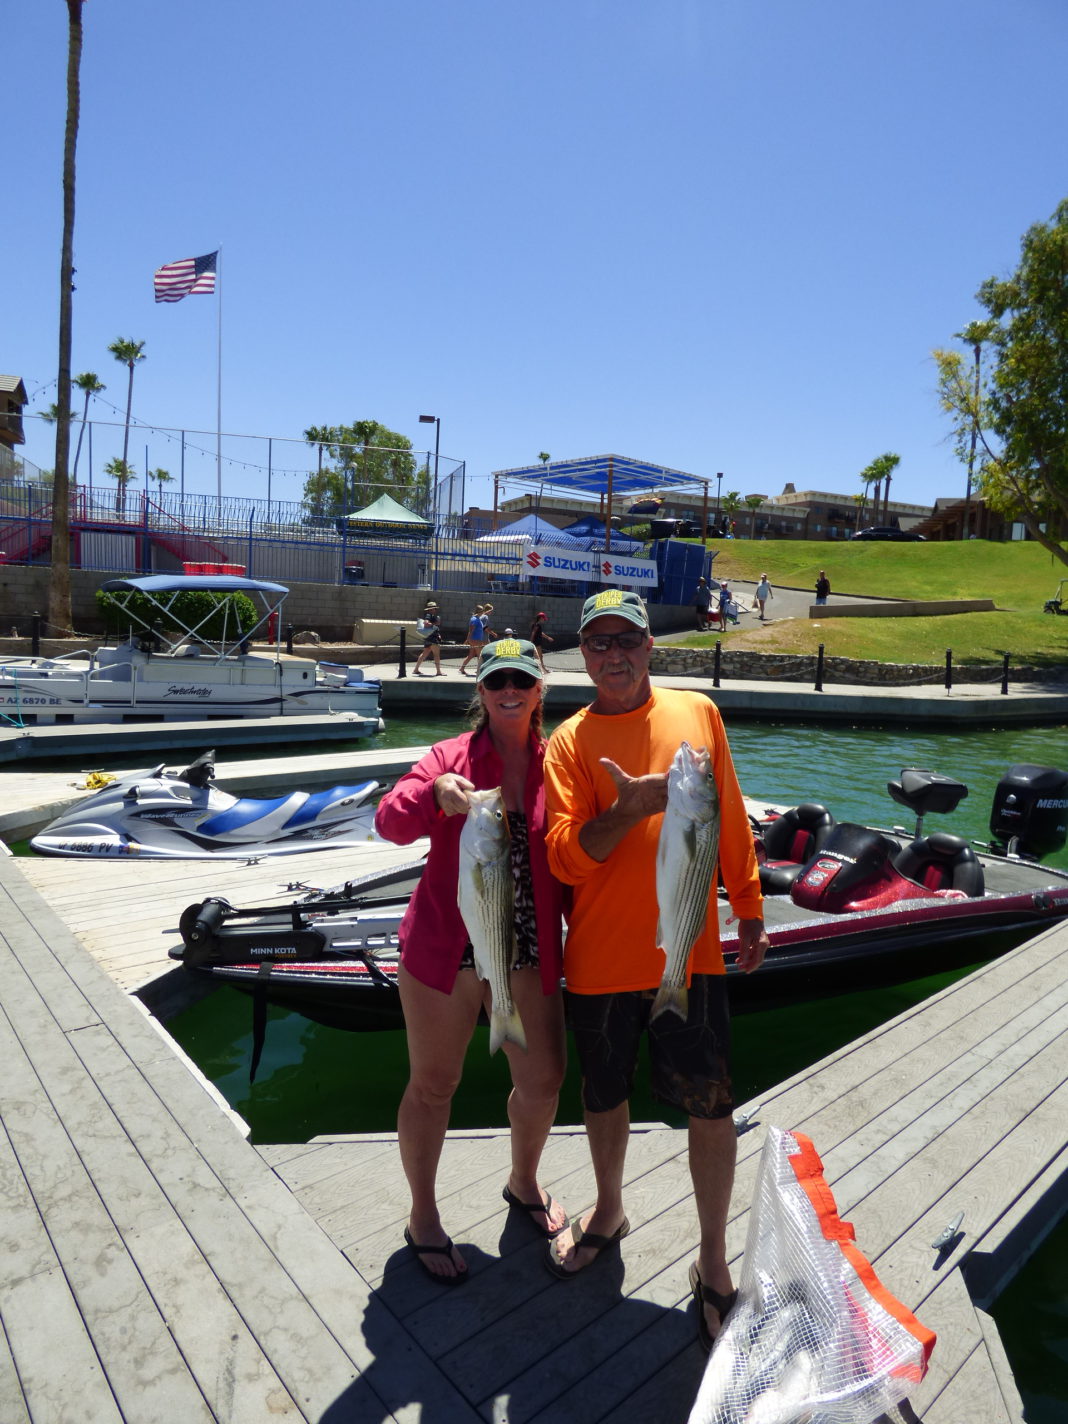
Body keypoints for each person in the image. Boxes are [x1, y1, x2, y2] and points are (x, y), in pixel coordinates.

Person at [541, 588, 768, 1350]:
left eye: (627, 640)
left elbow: (728, 814)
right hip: (600, 959)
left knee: (712, 1105)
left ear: (649, 645)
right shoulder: (568, 743)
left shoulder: (698, 713)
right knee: (604, 1094)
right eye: (598, 643)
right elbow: (565, 856)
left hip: (692, 955)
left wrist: (750, 905)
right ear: (583, 653)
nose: (614, 655)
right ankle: (609, 1209)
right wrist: (632, 808)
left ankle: (712, 1255)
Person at [375, 638, 568, 1283]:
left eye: (522, 679)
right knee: (434, 1084)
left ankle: (523, 1182)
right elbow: (389, 823)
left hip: (528, 949)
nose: (509, 691)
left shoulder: (560, 763)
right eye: (496, 681)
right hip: (444, 949)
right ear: (480, 691)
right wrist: (433, 794)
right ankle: (423, 1215)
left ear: (540, 688)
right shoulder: (447, 758)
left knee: (544, 1081)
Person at [412, 601, 445, 675]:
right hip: (432, 638)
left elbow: (431, 626)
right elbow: (426, 624)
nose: (435, 610)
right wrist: (436, 623)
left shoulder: (430, 615)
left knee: (424, 654)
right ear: (431, 609)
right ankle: (438, 671)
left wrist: (438, 633)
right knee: (436, 655)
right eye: (434, 608)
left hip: (428, 637)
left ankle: (416, 669)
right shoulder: (429, 615)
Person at [459, 604, 487, 674]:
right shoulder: (474, 619)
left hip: (477, 639)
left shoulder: (477, 619)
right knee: (480, 655)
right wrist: (468, 639)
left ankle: (462, 668)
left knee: (471, 655)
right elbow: (471, 630)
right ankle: (480, 670)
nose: (483, 612)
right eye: (482, 611)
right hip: (475, 640)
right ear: (479, 612)